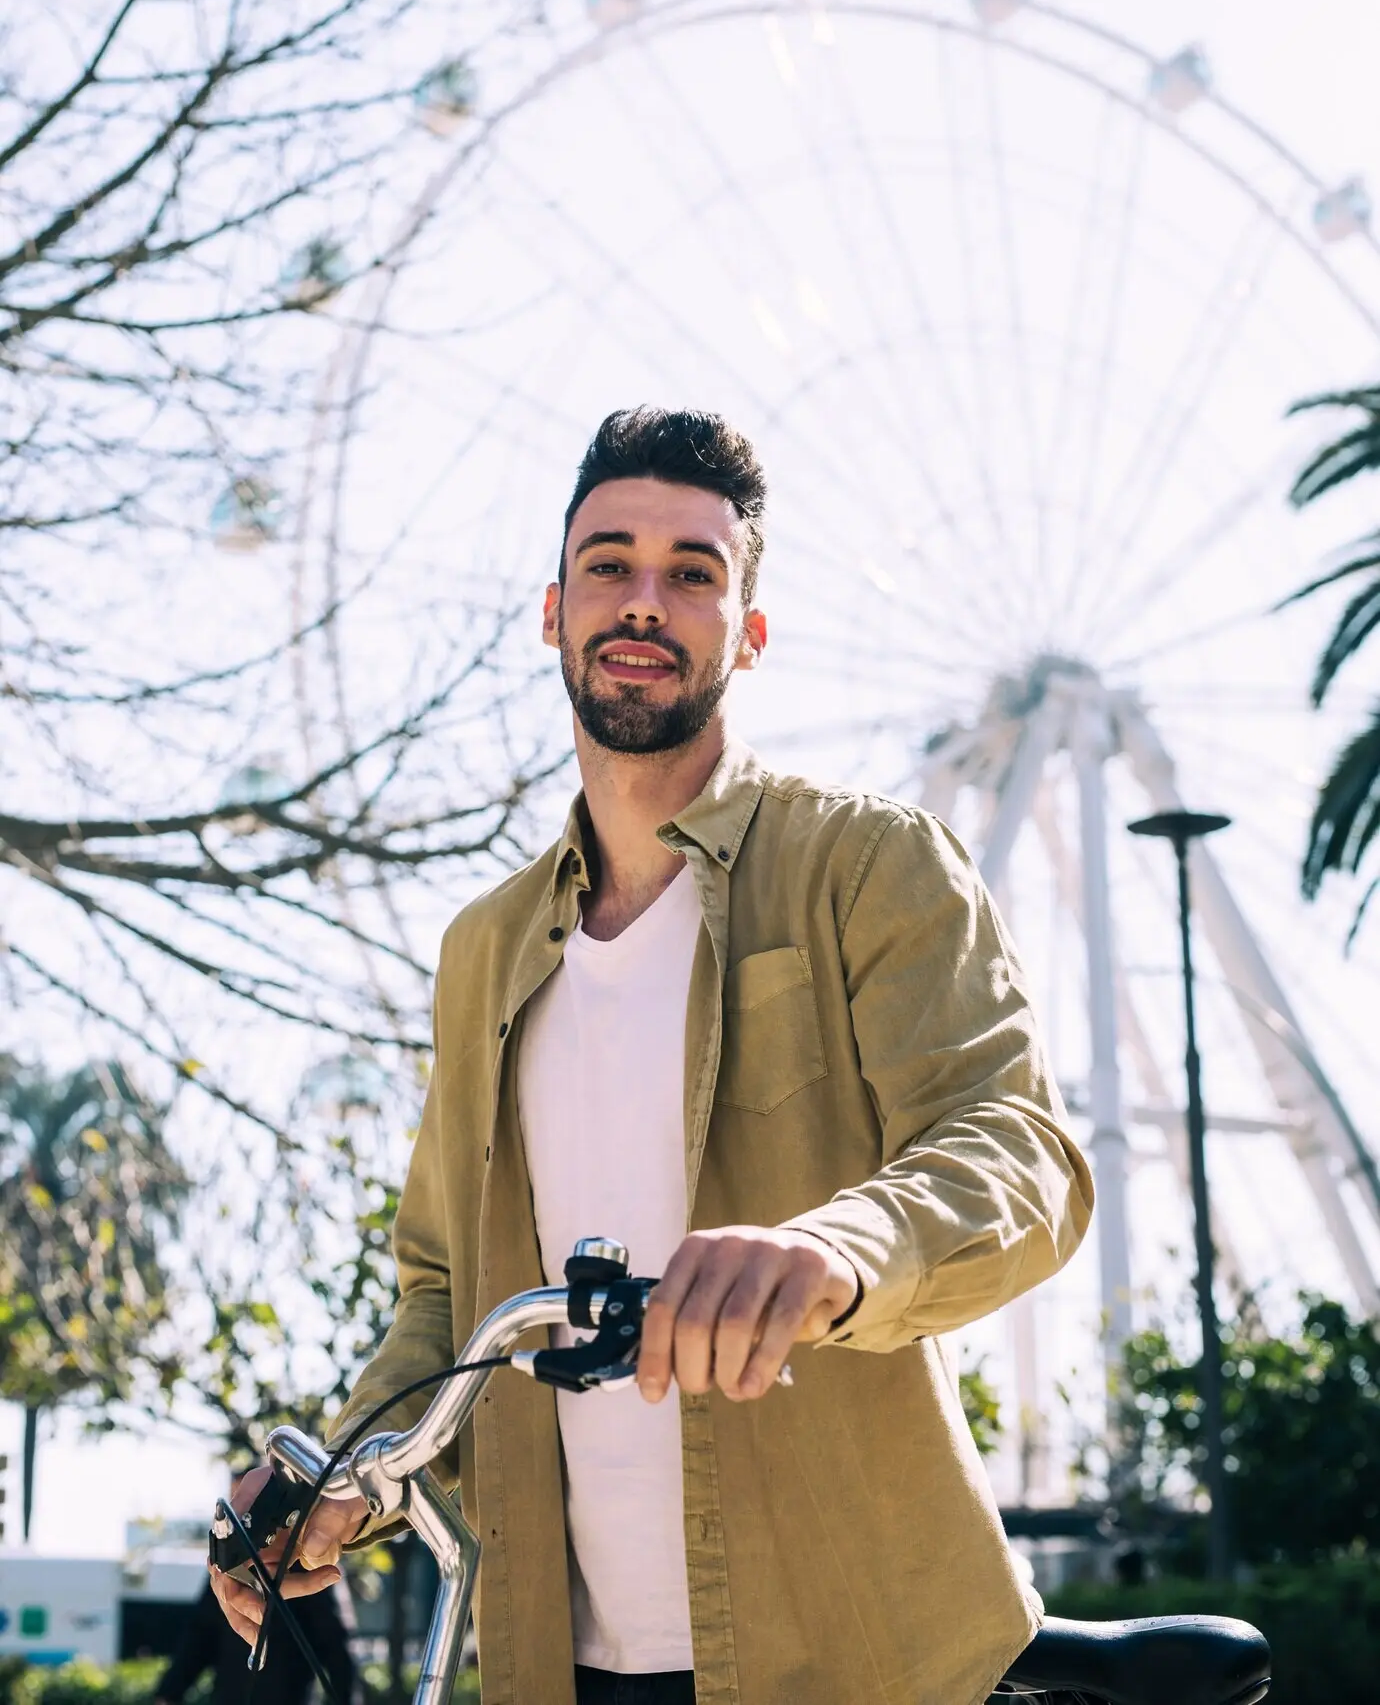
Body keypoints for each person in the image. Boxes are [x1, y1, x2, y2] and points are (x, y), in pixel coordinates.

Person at [211, 407, 1094, 1705]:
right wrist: (345, 1479)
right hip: (553, 1661)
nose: (645, 599)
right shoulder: (485, 951)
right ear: (553, 608)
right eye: (609, 563)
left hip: (856, 1648)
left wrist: (835, 1249)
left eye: (694, 571)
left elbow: (1020, 1153)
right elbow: (445, 1300)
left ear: (749, 630)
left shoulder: (868, 867)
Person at [159, 1576, 356, 1705]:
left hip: (290, 1697)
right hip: (230, 1697)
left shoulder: (311, 1564)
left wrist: (348, 1699)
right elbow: (199, 1638)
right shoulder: (230, 1564)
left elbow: (337, 1648)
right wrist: (168, 1693)